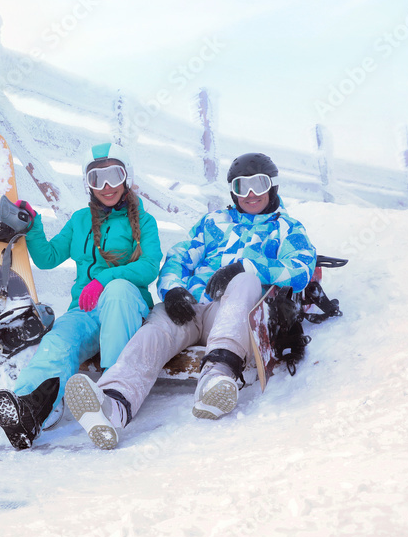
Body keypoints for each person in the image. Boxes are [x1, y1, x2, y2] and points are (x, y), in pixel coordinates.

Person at [64, 152, 317, 449]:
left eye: (258, 185)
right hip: (190, 307)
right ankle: (113, 403)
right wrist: (172, 290)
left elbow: (301, 268)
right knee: (156, 329)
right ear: (232, 191)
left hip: (231, 313)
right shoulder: (213, 222)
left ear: (272, 186)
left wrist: (246, 266)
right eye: (241, 186)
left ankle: (216, 379)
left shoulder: (286, 228)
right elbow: (179, 257)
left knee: (247, 281)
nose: (250, 194)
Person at [0, 142, 162, 450]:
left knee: (118, 291)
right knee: (58, 341)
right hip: (85, 309)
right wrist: (33, 226)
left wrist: (104, 280)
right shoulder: (80, 220)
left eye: (114, 176)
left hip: (126, 308)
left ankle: (111, 398)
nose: (106, 186)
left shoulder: (145, 222)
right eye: (97, 179)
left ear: (127, 177)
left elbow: (149, 267)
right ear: (88, 184)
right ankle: (29, 408)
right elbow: (48, 258)